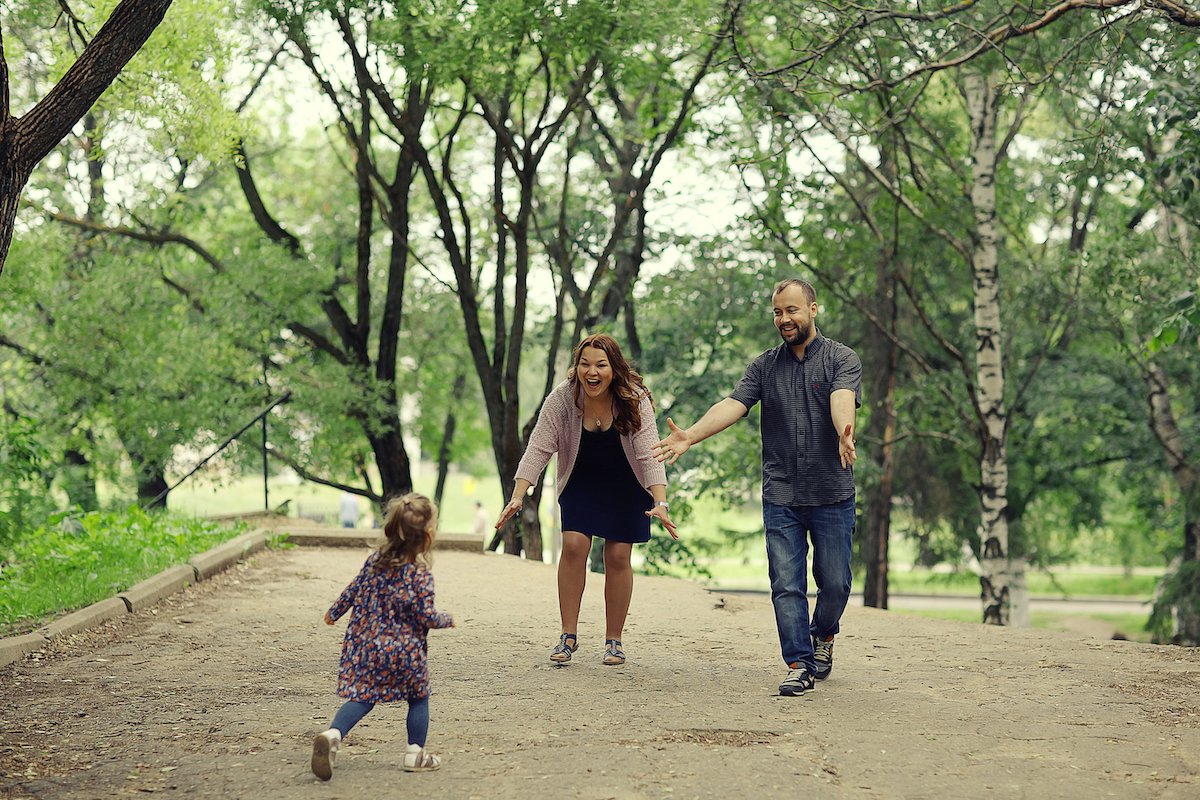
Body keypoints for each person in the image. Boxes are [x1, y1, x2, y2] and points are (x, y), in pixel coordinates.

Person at [654, 279, 861, 697]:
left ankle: (823, 636)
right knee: (786, 584)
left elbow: (842, 396)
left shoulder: (842, 358)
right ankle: (799, 662)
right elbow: (734, 404)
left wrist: (844, 430)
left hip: (831, 492)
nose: (784, 319)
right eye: (778, 312)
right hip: (781, 493)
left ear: (813, 310)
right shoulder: (765, 365)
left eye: (792, 310)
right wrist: (691, 435)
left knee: (835, 582)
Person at [496, 333, 678, 667]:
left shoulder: (634, 398)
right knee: (575, 545)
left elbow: (651, 454)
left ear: (614, 369)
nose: (591, 372)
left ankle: (614, 641)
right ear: (576, 367)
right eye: (584, 364)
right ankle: (568, 635)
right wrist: (519, 495)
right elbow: (539, 446)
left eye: (600, 365)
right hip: (582, 480)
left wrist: (661, 502)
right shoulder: (564, 399)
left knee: (619, 555)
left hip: (627, 483)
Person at [311, 493, 455, 781]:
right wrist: (446, 619)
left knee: (363, 697)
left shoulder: (375, 560)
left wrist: (334, 612)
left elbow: (353, 589)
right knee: (418, 697)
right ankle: (415, 753)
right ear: (427, 537)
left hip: (366, 646)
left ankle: (333, 734)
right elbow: (425, 616)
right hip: (405, 651)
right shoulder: (420, 575)